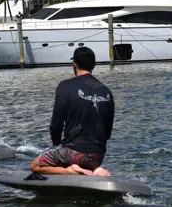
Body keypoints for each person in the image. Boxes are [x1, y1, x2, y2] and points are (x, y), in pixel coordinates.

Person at [30, 47, 114, 176]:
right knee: (82, 155)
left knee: (35, 166)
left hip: (72, 153)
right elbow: (107, 133)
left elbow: (56, 125)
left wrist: (56, 147)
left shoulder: (65, 86)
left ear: (74, 63)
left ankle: (70, 171)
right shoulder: (106, 91)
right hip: (98, 155)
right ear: (94, 65)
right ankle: (96, 169)